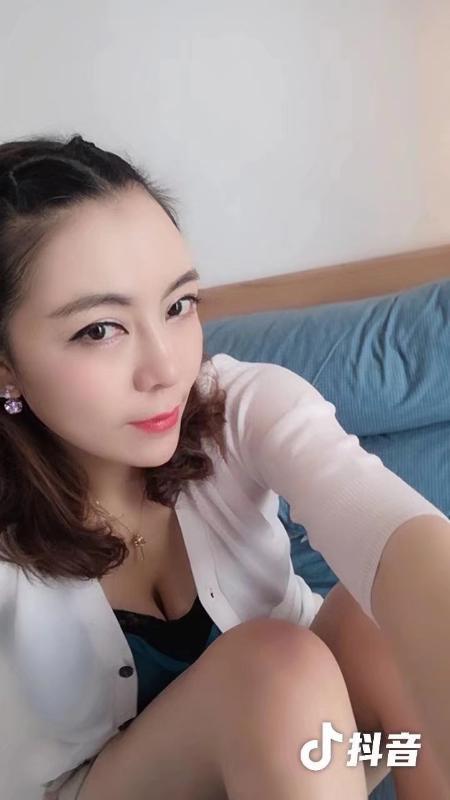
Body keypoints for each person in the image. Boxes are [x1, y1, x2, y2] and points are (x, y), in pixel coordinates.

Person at [0, 134, 448, 800]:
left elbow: (398, 537)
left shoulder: (238, 406)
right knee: (272, 667)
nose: (167, 369)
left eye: (178, 306)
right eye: (99, 329)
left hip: (312, 754)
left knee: (378, 612)